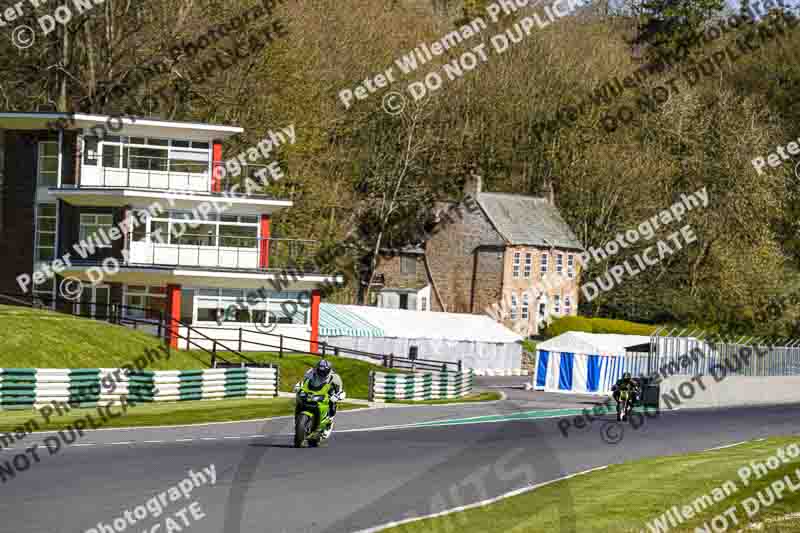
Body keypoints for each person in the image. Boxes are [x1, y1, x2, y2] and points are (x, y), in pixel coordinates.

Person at [300, 359, 344, 438]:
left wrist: (338, 396)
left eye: (323, 371)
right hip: (313, 391)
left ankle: (329, 423)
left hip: (327, 394)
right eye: (319, 371)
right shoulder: (311, 372)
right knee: (300, 397)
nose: (321, 373)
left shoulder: (335, 377)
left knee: (332, 402)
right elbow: (303, 382)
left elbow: (340, 391)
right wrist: (298, 387)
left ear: (328, 370)